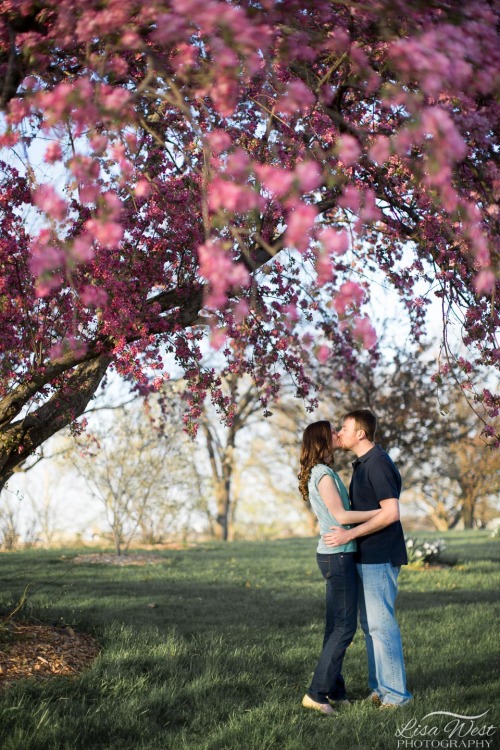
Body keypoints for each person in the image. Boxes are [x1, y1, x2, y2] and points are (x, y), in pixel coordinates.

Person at [323, 409, 412, 708]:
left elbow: (391, 513)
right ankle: (379, 690)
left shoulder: (378, 464)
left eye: (345, 428)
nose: (340, 432)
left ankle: (396, 696)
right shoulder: (364, 464)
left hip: (379, 555)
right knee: (370, 626)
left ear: (361, 433)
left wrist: (348, 535)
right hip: (365, 556)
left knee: (381, 625)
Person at [298, 420, 382, 715]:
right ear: (323, 439)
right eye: (333, 431)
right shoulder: (322, 474)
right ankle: (316, 694)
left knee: (335, 626)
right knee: (345, 627)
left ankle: (335, 690)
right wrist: (382, 511)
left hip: (334, 555)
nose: (337, 434)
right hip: (339, 556)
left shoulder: (323, 472)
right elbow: (341, 515)